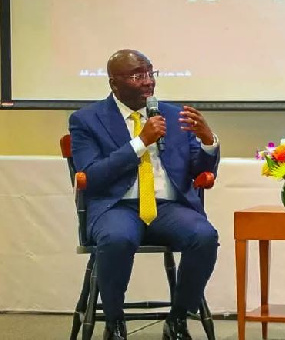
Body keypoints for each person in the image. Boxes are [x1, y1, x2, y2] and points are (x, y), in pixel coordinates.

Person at [69, 49, 220, 340]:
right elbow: (93, 176)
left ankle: (177, 319)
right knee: (117, 238)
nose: (149, 82)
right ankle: (114, 322)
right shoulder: (86, 120)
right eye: (138, 76)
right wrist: (140, 143)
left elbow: (199, 169)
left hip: (167, 207)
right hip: (117, 206)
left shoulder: (175, 116)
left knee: (204, 236)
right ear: (114, 83)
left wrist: (207, 141)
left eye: (151, 73)